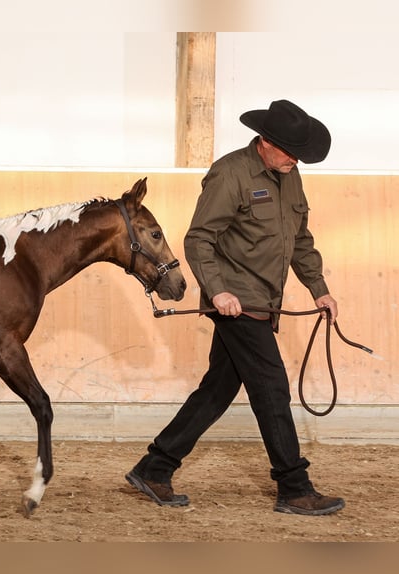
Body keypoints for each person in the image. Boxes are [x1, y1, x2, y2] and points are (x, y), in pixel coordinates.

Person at [125, 99, 345, 516]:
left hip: (266, 300)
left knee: (218, 389)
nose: (294, 160)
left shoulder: (289, 175)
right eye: (288, 151)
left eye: (299, 154)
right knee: (272, 390)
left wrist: (319, 288)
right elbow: (198, 240)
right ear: (264, 141)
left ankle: (155, 467)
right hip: (236, 302)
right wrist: (219, 291)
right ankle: (294, 488)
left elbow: (299, 239)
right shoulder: (230, 174)